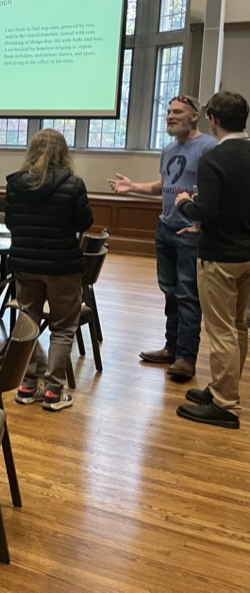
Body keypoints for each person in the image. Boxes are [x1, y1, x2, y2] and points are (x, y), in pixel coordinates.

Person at [108, 95, 216, 381]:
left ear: (195, 116)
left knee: (187, 295)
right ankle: (172, 347)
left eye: (177, 111)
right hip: (165, 230)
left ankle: (186, 357)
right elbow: (164, 186)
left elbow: (215, 192)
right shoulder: (168, 149)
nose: (170, 116)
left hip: (189, 233)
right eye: (168, 111)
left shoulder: (208, 147)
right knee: (170, 292)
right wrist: (133, 187)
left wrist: (202, 225)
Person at [173, 92, 250, 429]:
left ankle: (225, 403)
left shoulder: (214, 159)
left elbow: (206, 212)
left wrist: (184, 203)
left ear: (213, 120)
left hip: (219, 255)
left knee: (220, 332)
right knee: (237, 327)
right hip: (247, 256)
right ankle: (223, 387)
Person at [7, 129, 93, 412]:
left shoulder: (15, 183)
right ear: (63, 152)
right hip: (62, 266)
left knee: (27, 323)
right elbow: (85, 222)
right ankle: (54, 391)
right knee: (63, 327)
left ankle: (27, 385)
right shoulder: (74, 184)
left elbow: (10, 222)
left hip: (25, 264)